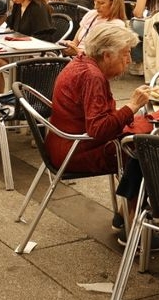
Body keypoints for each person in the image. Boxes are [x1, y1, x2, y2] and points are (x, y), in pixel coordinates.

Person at [48, 24, 151, 243]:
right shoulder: (92, 76)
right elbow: (98, 129)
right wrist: (131, 106)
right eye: (125, 55)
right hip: (74, 151)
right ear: (106, 55)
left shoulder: (81, 62)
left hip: (62, 141)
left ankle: (124, 215)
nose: (129, 61)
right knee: (145, 151)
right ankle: (134, 227)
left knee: (143, 132)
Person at [64, 0, 128, 56]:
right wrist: (68, 45)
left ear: (113, 3)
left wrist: (77, 52)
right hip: (76, 60)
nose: (96, 7)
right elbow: (75, 42)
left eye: (101, 3)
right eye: (95, 1)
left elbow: (104, 57)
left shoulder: (117, 25)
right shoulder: (91, 14)